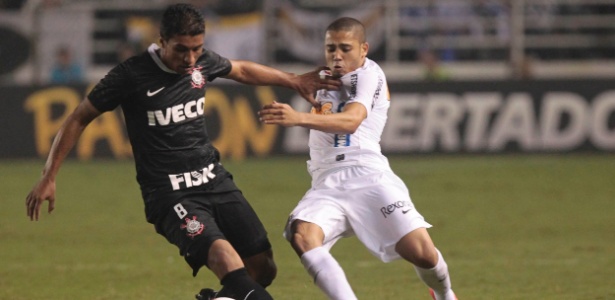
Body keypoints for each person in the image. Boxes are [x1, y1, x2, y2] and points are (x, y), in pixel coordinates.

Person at [25, 3, 339, 300]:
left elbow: (240, 70)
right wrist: (48, 175)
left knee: (262, 269)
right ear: (161, 41)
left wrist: (293, 80)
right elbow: (79, 117)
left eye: (196, 49)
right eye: (181, 50)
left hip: (214, 180)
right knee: (227, 262)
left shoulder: (201, 63)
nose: (190, 59)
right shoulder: (130, 75)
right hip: (170, 194)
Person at [258, 17, 458, 300]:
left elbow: (352, 120)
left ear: (364, 49)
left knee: (422, 254)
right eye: (330, 48)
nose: (336, 56)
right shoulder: (321, 77)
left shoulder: (369, 75)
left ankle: (445, 294)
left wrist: (297, 118)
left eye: (345, 48)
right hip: (326, 183)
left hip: (368, 175)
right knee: (302, 234)